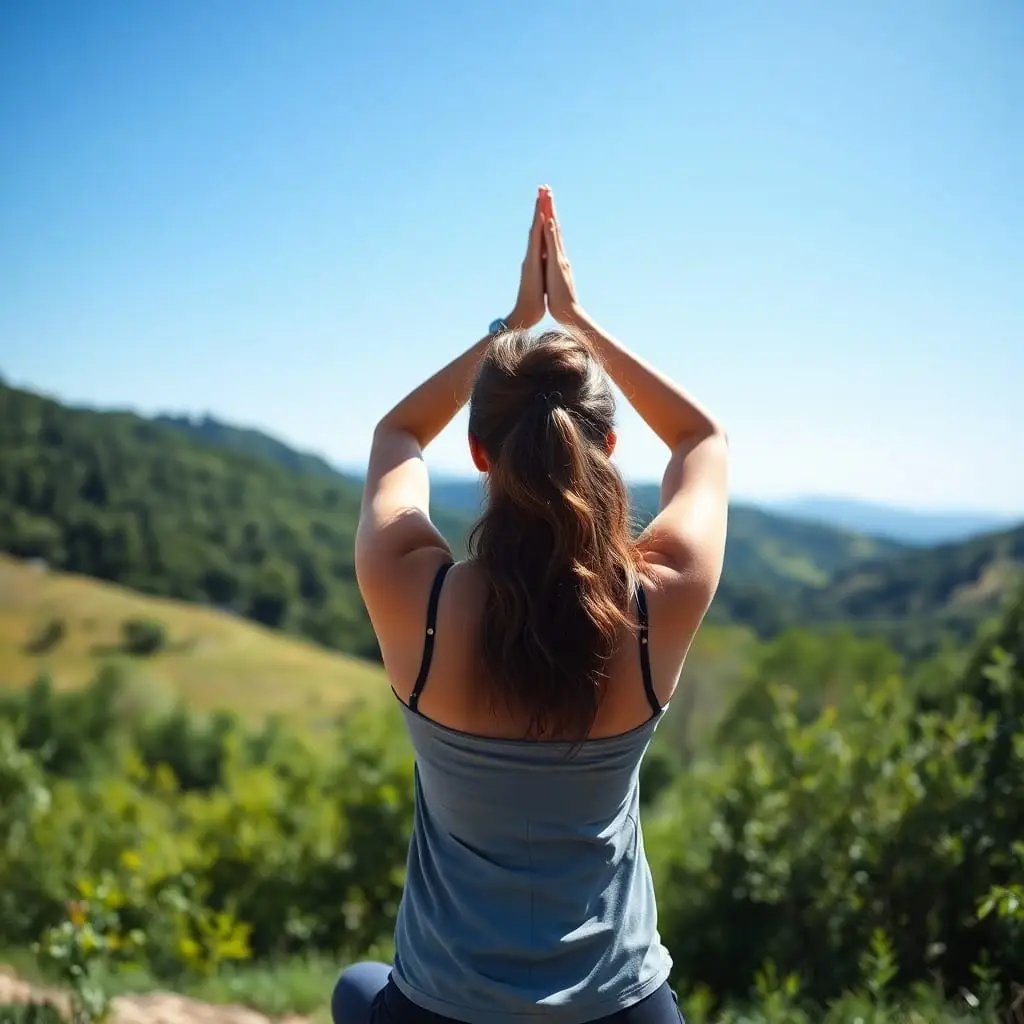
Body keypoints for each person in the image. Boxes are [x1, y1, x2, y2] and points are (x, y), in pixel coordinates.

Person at [333, 187, 728, 1024]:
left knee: (355, 990)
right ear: (608, 447)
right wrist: (578, 328)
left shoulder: (420, 601)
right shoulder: (658, 606)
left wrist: (510, 330)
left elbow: (396, 435)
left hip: (445, 1008)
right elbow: (702, 441)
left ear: (478, 454)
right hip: (623, 1009)